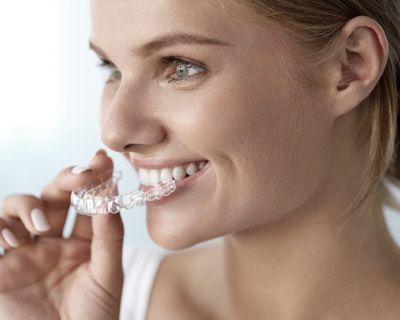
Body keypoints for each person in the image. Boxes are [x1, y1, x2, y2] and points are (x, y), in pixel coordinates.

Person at [1, 0, 400, 319]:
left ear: (350, 64)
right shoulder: (86, 298)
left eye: (181, 66)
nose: (115, 132)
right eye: (113, 68)